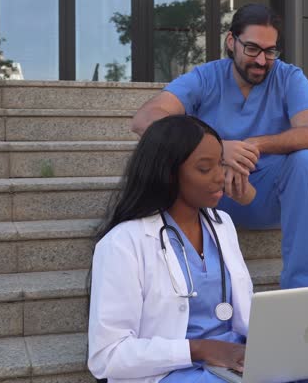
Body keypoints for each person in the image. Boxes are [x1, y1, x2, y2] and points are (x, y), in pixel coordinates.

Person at [131, 3, 308, 289]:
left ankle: (304, 288)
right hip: (208, 195)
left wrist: (252, 145)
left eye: (270, 51)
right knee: (163, 154)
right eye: (252, 49)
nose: (261, 60)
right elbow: (144, 120)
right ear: (231, 42)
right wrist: (218, 150)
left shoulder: (289, 77)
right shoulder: (205, 77)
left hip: (263, 196)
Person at [88, 115, 256, 382]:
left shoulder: (222, 224)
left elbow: (244, 313)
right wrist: (200, 349)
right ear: (168, 174)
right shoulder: (123, 243)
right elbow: (107, 356)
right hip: (171, 371)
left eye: (221, 164)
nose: (219, 177)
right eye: (204, 168)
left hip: (236, 360)